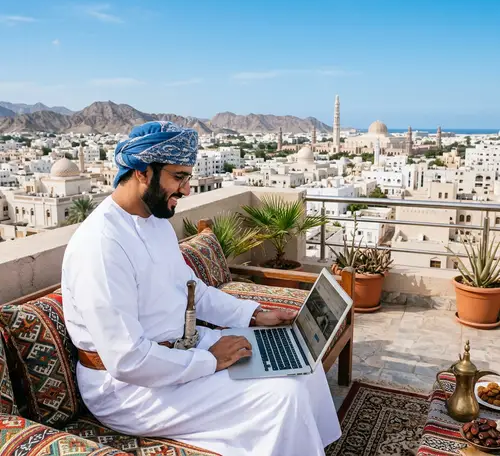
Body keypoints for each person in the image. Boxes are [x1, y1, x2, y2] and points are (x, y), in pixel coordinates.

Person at [61, 121, 341, 456]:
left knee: (300, 366)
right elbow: (127, 360)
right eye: (178, 177)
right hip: (128, 390)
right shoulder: (100, 245)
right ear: (142, 172)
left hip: (181, 353)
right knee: (284, 396)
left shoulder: (156, 224)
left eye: (188, 177)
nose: (188, 189)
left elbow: (194, 291)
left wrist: (255, 315)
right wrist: (209, 360)